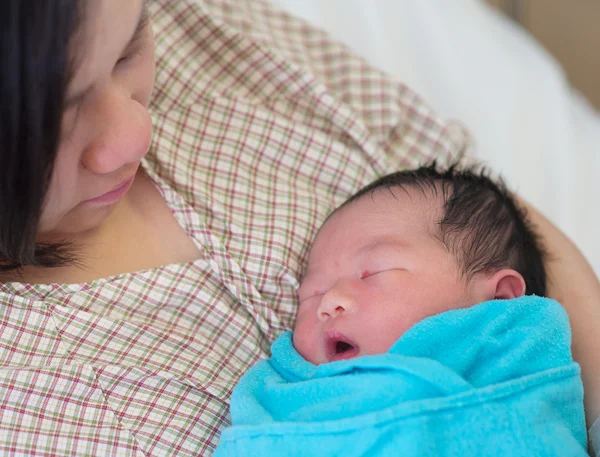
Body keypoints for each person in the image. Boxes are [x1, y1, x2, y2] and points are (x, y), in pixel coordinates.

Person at [0, 0, 598, 455]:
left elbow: (489, 217)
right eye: (60, 120)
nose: (137, 133)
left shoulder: (199, 29)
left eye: (129, 51)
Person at [214, 164, 587, 456]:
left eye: (374, 271)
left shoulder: (523, 373)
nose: (329, 302)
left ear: (500, 301)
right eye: (312, 293)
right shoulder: (281, 398)